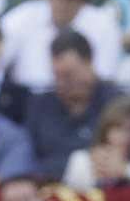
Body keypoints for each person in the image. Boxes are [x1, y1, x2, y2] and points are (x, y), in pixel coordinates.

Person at [24, 30, 120, 180]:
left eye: (69, 74)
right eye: (56, 76)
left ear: (89, 62)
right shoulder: (40, 106)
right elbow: (28, 159)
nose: (62, 83)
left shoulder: (116, 103)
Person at [0, 0, 123, 92]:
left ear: (84, 0)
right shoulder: (23, 16)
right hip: (24, 103)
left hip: (81, 104)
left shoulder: (103, 24)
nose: (61, 4)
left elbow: (104, 78)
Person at [63, 94, 130, 186]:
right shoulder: (82, 160)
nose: (127, 136)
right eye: (118, 128)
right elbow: (68, 197)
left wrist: (126, 170)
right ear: (106, 130)